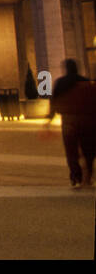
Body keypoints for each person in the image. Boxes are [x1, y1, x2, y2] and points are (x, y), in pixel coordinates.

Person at [47, 59, 95, 188]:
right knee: (88, 151)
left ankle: (76, 177)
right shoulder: (85, 82)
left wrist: (49, 119)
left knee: (71, 152)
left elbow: (54, 102)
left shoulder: (61, 83)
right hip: (87, 121)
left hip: (68, 122)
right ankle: (88, 176)